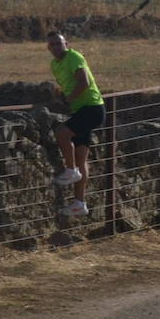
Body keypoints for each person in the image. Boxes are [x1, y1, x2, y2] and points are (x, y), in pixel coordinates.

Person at [47, 31, 105, 218]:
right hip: (80, 110)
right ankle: (79, 203)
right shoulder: (55, 64)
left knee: (62, 133)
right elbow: (67, 85)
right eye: (52, 45)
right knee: (81, 158)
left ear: (66, 43)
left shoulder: (74, 57)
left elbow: (84, 83)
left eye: (59, 43)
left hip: (91, 108)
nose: (56, 47)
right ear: (48, 48)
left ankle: (70, 170)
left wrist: (67, 101)